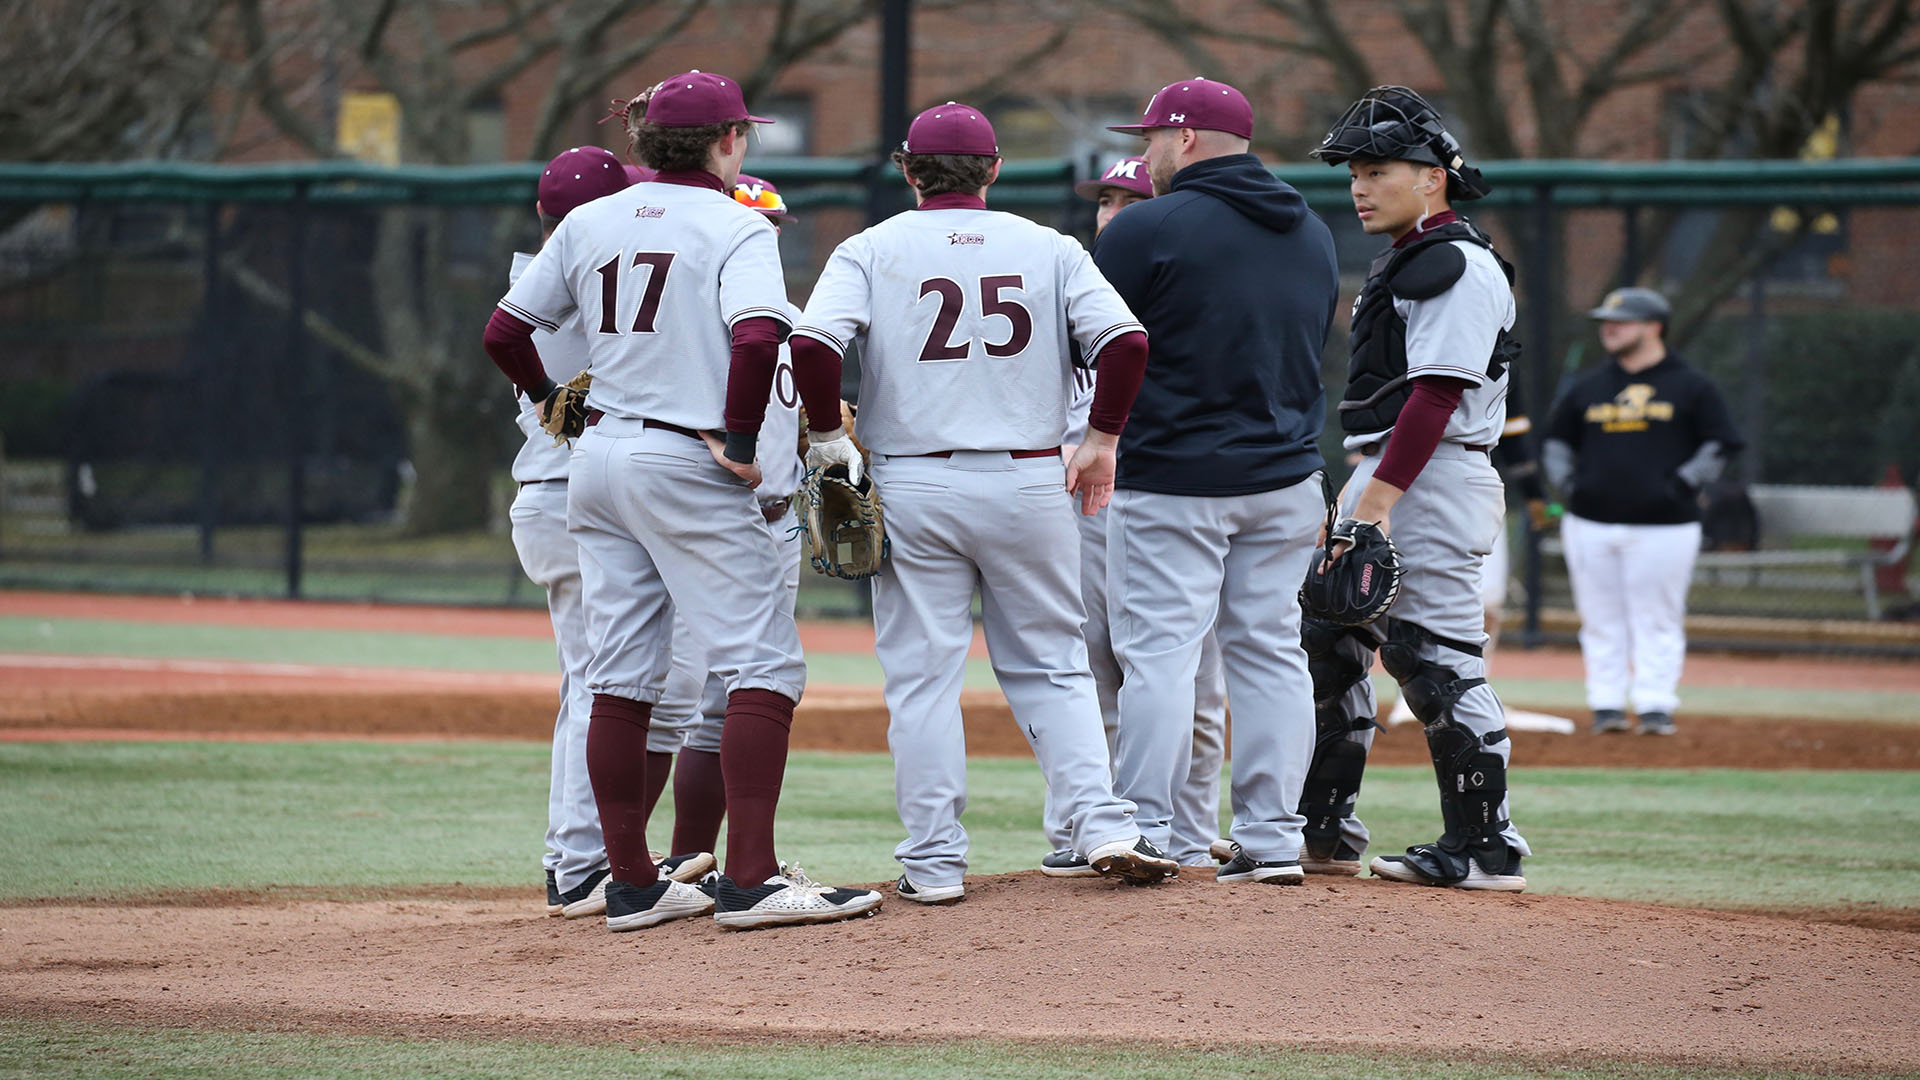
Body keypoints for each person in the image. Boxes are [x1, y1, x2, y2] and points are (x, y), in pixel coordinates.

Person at [483, 70, 882, 932]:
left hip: (600, 458)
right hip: (685, 457)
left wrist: (556, 405)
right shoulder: (736, 223)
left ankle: (629, 883)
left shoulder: (590, 220)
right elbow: (757, 334)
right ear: (729, 141)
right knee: (764, 666)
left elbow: (504, 332)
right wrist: (741, 440)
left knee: (617, 675)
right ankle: (752, 881)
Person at [784, 101, 1176, 905]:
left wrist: (827, 438)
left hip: (914, 479)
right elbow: (1128, 343)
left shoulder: (871, 246)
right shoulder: (1051, 246)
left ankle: (932, 864)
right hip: (1029, 478)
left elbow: (814, 345)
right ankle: (1102, 825)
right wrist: (1101, 438)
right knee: (1055, 666)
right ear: (995, 170)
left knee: (923, 677)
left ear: (907, 170)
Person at [1097, 78, 1338, 886]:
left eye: (1154, 139)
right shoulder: (1312, 229)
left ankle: (1148, 828)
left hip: (1173, 476)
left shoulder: (1147, 226)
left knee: (1160, 655)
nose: (1147, 153)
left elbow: (1092, 350)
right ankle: (1272, 839)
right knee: (1271, 653)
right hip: (1287, 474)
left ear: (1188, 139)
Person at [1304, 85, 1531, 892]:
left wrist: (1375, 505)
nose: (1358, 187)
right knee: (1335, 643)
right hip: (1393, 470)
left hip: (1428, 475)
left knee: (1433, 661)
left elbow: (1436, 397)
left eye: (1375, 169)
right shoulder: (1411, 254)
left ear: (1431, 175)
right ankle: (1325, 831)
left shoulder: (1454, 262)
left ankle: (1485, 847)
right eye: (1353, 172)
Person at [1041, 153, 1230, 876]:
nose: (1114, 213)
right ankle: (1085, 829)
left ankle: (1186, 832)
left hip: (1171, 489)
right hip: (1079, 496)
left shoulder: (1188, 289)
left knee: (1193, 677)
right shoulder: (1063, 284)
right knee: (1084, 669)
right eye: (1106, 199)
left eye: (1132, 197)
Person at [645, 174, 807, 871]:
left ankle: (692, 862)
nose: (767, 236)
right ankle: (604, 860)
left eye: (773, 225)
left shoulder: (794, 321)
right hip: (703, 522)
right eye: (755, 222)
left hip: (779, 523)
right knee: (670, 695)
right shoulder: (690, 326)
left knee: (729, 698)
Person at [505, 146, 627, 921]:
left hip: (553, 495)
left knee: (590, 683)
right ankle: (580, 863)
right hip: (576, 495)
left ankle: (580, 857)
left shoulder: (537, 275)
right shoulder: (585, 279)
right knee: (601, 685)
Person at [1543, 287, 1743, 736]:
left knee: (1657, 617)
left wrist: (1684, 483)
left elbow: (1721, 442)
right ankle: (1606, 704)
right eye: (1606, 321)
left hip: (1665, 524)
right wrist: (1568, 483)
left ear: (1655, 327)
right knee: (1599, 619)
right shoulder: (1590, 386)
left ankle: (1655, 705)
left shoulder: (1691, 385)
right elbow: (1557, 441)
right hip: (1589, 521)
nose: (1609, 329)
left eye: (1623, 321)